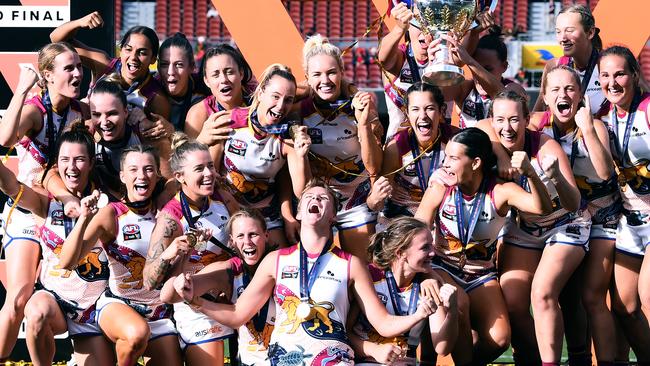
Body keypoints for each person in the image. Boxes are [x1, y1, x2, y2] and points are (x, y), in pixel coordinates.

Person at [172, 179, 438, 365]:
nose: (315, 199)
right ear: (298, 212)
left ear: (333, 215)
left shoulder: (350, 263)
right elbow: (238, 314)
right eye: (308, 197)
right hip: (286, 358)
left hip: (333, 358)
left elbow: (382, 323)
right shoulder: (276, 260)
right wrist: (195, 300)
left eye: (323, 198)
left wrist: (419, 313)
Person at [415, 127, 553, 364]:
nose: (445, 164)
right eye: (446, 156)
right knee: (459, 305)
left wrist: (530, 173)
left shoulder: (500, 191)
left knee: (500, 340)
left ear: (476, 163)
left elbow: (543, 208)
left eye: (454, 158)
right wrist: (424, 274)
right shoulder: (440, 185)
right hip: (442, 269)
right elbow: (415, 232)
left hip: (480, 275)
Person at [481, 91, 587, 366]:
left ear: (528, 120)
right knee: (512, 300)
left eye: (515, 119)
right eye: (500, 120)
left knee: (541, 292)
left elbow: (574, 202)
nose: (507, 127)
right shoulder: (492, 140)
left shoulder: (545, 146)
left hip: (565, 224)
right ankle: (530, 359)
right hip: (525, 229)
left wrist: (553, 177)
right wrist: (500, 155)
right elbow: (478, 126)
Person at [0, 42, 87, 359]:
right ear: (48, 75)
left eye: (79, 66)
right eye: (69, 68)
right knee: (20, 297)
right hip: (28, 210)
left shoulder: (81, 110)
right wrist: (22, 89)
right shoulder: (35, 110)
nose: (78, 73)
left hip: (66, 214)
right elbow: (4, 139)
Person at [0, 123, 112, 365]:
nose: (71, 167)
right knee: (36, 311)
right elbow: (11, 186)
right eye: (64, 160)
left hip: (93, 310)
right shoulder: (45, 202)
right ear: (56, 163)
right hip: (57, 303)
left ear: (91, 163)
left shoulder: (107, 202)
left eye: (80, 159)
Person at [59, 145, 182, 366]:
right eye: (133, 170)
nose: (141, 176)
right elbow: (66, 262)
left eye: (148, 169)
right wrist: (84, 217)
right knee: (136, 334)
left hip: (159, 313)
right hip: (119, 306)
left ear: (157, 175)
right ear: (122, 176)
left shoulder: (169, 211)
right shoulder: (112, 214)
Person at [530, 65, 619, 364]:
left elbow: (606, 172)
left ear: (581, 94)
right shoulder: (536, 127)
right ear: (544, 96)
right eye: (554, 90)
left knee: (592, 298)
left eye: (569, 89)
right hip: (560, 220)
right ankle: (578, 356)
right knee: (567, 296)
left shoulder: (594, 125)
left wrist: (590, 130)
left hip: (601, 217)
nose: (563, 95)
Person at [143, 133, 237, 365]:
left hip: (233, 298)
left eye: (210, 167)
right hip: (197, 308)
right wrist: (171, 252)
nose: (208, 174)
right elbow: (148, 281)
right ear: (179, 176)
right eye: (199, 169)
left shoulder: (222, 197)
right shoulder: (171, 218)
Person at [298, 34, 383, 258]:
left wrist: (364, 124)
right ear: (307, 77)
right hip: (320, 200)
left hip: (357, 200)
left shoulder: (360, 105)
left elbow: (374, 167)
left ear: (342, 73)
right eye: (316, 74)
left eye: (331, 72)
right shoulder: (298, 110)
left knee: (363, 266)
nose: (325, 80)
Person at [213, 63, 312, 247]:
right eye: (275, 96)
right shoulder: (229, 121)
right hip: (228, 209)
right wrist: (233, 210)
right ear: (260, 93)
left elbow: (301, 191)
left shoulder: (288, 137)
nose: (281, 106)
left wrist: (302, 155)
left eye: (288, 100)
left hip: (267, 213)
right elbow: (210, 173)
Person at [161, 207, 275, 366]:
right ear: (232, 241)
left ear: (266, 235)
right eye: (240, 236)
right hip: (251, 361)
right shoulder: (228, 271)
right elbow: (168, 296)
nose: (247, 242)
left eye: (253, 234)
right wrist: (185, 255)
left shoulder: (281, 262)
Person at [349, 217, 459, 365]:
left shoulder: (430, 285)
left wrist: (452, 311)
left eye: (432, 246)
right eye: (425, 247)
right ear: (400, 253)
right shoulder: (369, 277)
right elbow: (345, 332)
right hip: (366, 361)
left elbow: (442, 348)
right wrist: (373, 350)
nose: (433, 253)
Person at [599, 45, 650, 363]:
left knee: (647, 297)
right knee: (623, 305)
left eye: (619, 73)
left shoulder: (647, 109)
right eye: (605, 75)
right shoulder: (601, 117)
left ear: (634, 74)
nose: (612, 82)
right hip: (630, 223)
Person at [366, 82, 457, 231]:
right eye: (415, 109)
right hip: (402, 217)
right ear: (407, 114)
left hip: (442, 214)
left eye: (430, 108)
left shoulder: (455, 140)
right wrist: (375, 198)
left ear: (441, 112)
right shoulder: (396, 146)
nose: (423, 116)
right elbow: (375, 203)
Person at [50, 12, 170, 118]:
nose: (133, 57)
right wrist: (79, 23)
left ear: (153, 59)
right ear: (121, 50)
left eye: (142, 53)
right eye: (128, 49)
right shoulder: (104, 65)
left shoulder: (157, 99)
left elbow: (160, 140)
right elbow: (57, 40)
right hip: (88, 138)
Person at [88, 77, 172, 197]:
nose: (104, 122)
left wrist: (163, 202)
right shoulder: (87, 136)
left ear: (126, 112)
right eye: (96, 114)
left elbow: (171, 181)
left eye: (112, 113)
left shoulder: (145, 133)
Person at [185, 44, 254, 163]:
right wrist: (201, 141)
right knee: (216, 142)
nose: (223, 79)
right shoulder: (199, 113)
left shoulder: (258, 98)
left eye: (229, 72)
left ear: (241, 74)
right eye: (215, 74)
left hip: (261, 176)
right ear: (206, 81)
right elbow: (186, 164)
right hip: (217, 179)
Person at [533, 4, 607, 116]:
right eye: (558, 32)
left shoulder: (609, 64)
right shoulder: (553, 66)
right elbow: (538, 113)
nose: (563, 38)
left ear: (590, 33)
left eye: (569, 30)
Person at [157, 32, 206, 131]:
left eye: (179, 65)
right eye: (164, 65)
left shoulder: (205, 91)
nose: (170, 72)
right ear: (157, 67)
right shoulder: (149, 91)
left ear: (192, 67)